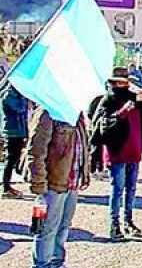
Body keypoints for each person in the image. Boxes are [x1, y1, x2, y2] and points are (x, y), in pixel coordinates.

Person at [91, 67, 142, 241]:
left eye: (126, 80)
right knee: (117, 189)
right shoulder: (107, 100)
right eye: (120, 81)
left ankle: (128, 220)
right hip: (116, 151)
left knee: (131, 189)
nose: (125, 83)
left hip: (134, 150)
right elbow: (101, 125)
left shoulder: (134, 98)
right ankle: (114, 224)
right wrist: (121, 113)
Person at [27, 102, 91, 268]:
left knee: (63, 227)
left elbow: (83, 147)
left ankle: (56, 262)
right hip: (53, 183)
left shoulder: (76, 113)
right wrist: (39, 183)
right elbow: (36, 150)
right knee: (45, 229)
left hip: (71, 182)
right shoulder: (47, 112)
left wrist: (85, 173)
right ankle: (42, 264)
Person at [1, 85, 29, 199]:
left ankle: (8, 185)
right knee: (10, 159)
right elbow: (20, 108)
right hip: (12, 131)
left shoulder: (16, 95)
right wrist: (25, 98)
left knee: (15, 158)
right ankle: (6, 187)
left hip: (19, 131)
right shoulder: (9, 95)